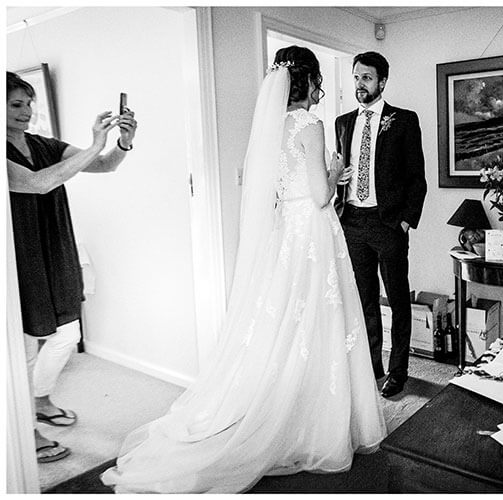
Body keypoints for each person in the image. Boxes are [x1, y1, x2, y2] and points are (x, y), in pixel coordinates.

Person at [101, 46, 387, 493]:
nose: (319, 91)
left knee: (286, 326)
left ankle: (280, 409)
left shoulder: (272, 127)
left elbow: (278, 187)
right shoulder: (309, 124)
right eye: (317, 82)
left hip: (285, 232)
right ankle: (312, 423)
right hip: (311, 230)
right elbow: (318, 196)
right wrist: (335, 173)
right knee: (318, 324)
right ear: (309, 81)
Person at [7, 71, 138, 464]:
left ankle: (40, 398)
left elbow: (103, 166)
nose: (27, 111)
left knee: (66, 331)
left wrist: (121, 143)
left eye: (29, 103)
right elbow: (36, 183)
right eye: (16, 104)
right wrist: (93, 143)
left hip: (55, 243)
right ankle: (23, 429)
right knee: (25, 347)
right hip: (19, 252)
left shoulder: (43, 144)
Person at [335, 51, 427, 398]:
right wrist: (340, 179)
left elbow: (417, 179)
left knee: (398, 299)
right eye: (357, 77)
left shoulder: (403, 120)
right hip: (353, 222)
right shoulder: (342, 122)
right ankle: (371, 367)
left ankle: (398, 371)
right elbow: (343, 167)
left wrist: (404, 222)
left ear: (382, 82)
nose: (360, 84)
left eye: (367, 78)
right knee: (364, 300)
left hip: (387, 224)